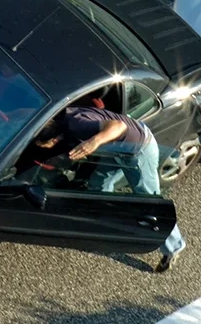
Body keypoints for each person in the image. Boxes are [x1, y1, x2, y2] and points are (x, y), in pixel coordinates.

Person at [34, 106, 186, 272]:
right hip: (118, 150)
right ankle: (105, 227)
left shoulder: (77, 124)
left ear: (53, 140)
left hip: (139, 150)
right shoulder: (65, 118)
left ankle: (174, 247)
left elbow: (119, 126)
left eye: (44, 145)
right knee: (98, 186)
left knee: (150, 202)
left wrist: (94, 142)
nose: (45, 148)